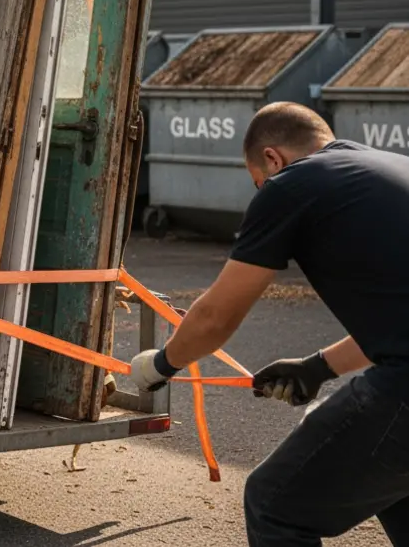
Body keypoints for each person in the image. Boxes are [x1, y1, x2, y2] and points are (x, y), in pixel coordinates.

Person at [129, 101, 409, 546]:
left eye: (258, 182)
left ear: (272, 159)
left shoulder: (292, 185)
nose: (262, 190)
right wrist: (319, 367)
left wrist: (161, 365)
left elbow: (216, 316)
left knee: (275, 505)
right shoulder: (386, 166)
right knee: (392, 487)